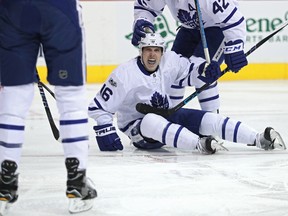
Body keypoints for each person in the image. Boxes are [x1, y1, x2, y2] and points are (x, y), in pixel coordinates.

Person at [88, 33, 285, 153]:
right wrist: (105, 128)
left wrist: (205, 71)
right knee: (150, 120)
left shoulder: (169, 61)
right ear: (141, 51)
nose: (152, 55)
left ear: (162, 52)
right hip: (138, 129)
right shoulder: (124, 74)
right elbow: (98, 107)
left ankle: (259, 138)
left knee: (206, 119)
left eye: (157, 50)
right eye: (148, 50)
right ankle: (199, 144)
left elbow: (190, 71)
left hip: (167, 115)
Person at [0, 0, 97, 214]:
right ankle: (77, 182)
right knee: (71, 97)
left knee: (14, 97)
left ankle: (5, 180)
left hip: (12, 10)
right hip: (59, 9)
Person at [131, 0, 248, 112]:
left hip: (217, 29)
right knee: (172, 70)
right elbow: (146, 7)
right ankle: (169, 114)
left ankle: (212, 119)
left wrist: (235, 47)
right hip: (188, 29)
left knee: (204, 71)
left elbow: (234, 20)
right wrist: (142, 21)